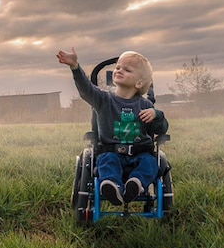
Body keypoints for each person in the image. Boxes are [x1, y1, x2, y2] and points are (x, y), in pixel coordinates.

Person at [57, 48, 168, 205]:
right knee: (107, 161)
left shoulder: (146, 105)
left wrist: (157, 115)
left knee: (150, 163)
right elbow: (86, 90)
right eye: (117, 67)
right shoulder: (104, 100)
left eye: (127, 69)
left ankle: (135, 184)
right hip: (111, 152)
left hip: (140, 154)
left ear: (139, 83)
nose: (119, 70)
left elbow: (161, 129)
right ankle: (111, 186)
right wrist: (75, 67)